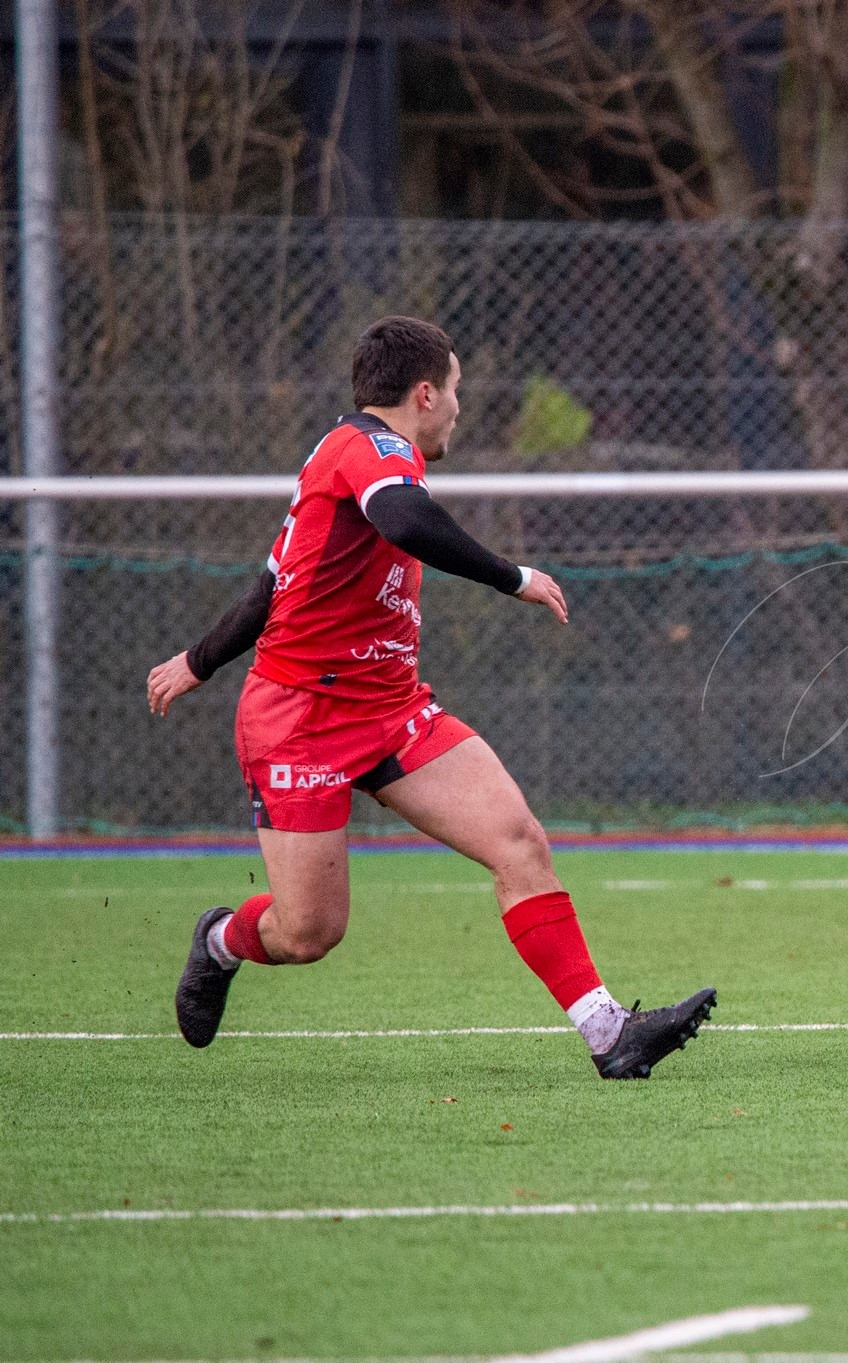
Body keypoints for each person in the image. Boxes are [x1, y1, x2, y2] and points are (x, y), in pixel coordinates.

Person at [148, 316, 715, 1079]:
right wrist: (513, 576)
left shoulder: (354, 458)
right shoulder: (371, 450)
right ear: (424, 393)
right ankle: (220, 939)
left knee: (519, 841)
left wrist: (197, 658)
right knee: (310, 931)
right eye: (455, 391)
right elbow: (403, 522)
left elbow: (275, 585)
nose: (458, 407)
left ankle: (610, 1034)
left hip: (390, 711)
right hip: (299, 721)